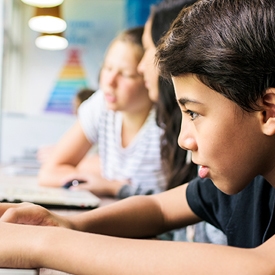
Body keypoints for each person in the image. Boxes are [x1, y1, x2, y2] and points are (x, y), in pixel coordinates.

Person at [0, 0, 275, 273]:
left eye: (193, 113)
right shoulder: (247, 180)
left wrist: (42, 244)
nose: (183, 139)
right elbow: (158, 209)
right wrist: (71, 225)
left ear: (267, 112)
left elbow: (260, 266)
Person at [38, 26, 166, 199]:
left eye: (126, 74)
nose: (109, 81)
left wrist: (109, 185)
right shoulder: (101, 104)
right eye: (107, 67)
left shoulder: (167, 121)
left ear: (149, 77)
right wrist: (97, 178)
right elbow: (50, 172)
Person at [138, 0, 226, 244]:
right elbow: (162, 209)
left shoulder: (234, 172)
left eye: (147, 49)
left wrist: (49, 243)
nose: (141, 65)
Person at [36, 88, 96, 164]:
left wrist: (59, 155)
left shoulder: (91, 129)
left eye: (75, 106)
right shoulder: (80, 128)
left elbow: (86, 155)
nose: (74, 111)